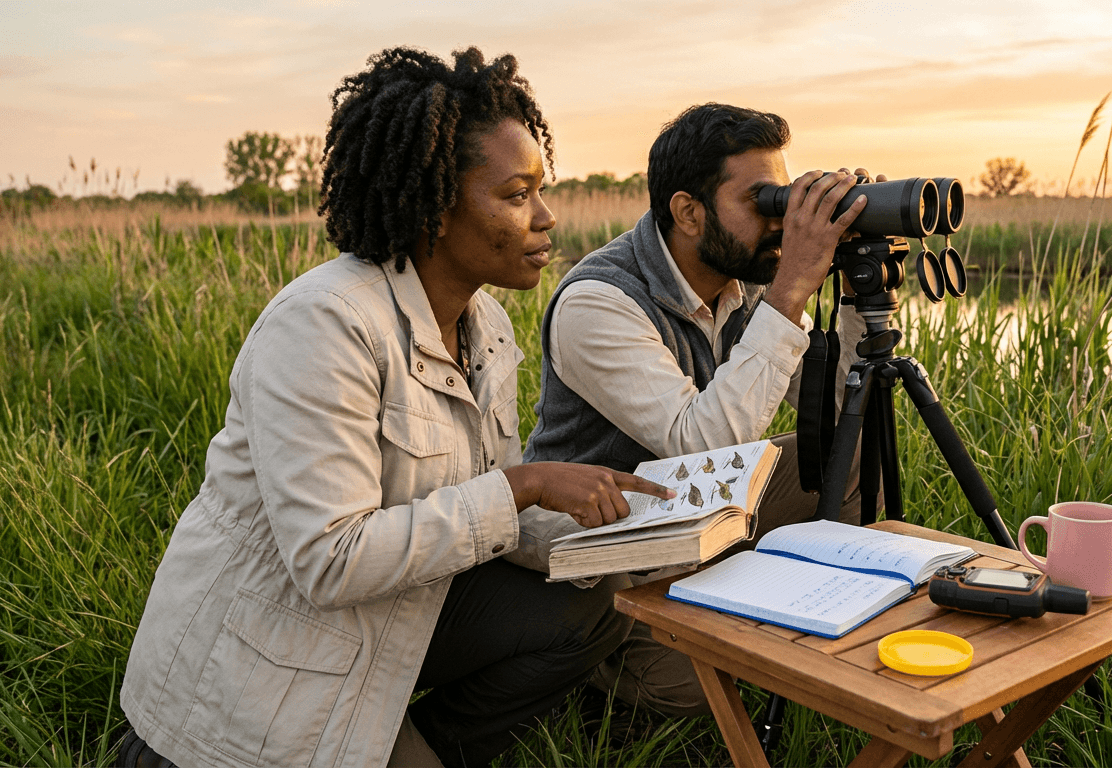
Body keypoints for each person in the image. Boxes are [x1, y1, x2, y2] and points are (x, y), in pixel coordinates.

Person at [116, 46, 672, 768]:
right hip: (252, 691)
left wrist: (629, 536)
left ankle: (424, 748)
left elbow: (478, 508)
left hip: (385, 618)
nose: (545, 216)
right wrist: (525, 484)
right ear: (435, 210)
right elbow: (330, 561)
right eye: (515, 194)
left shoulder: (487, 327)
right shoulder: (323, 325)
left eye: (541, 190)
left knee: (581, 609)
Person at [514, 103, 875, 718]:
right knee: (699, 691)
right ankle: (597, 669)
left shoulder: (746, 278)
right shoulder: (597, 300)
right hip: (612, 554)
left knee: (851, 452)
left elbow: (839, 408)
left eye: (783, 197)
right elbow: (697, 445)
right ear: (687, 211)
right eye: (763, 201)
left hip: (701, 516)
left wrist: (851, 289)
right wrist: (791, 288)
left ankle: (771, 599)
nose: (780, 220)